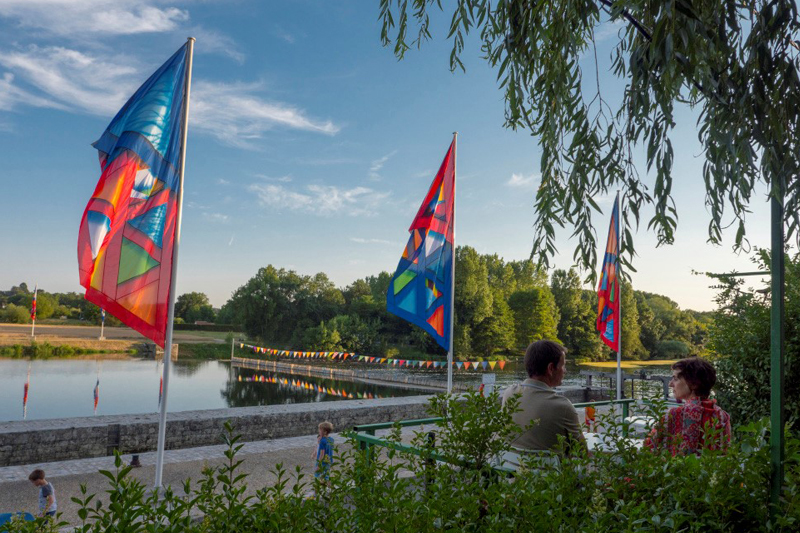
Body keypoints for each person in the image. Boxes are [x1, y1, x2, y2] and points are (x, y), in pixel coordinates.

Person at [501, 340, 586, 454]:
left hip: (511, 469)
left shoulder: (509, 394)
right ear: (551, 368)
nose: (565, 371)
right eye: (563, 365)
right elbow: (582, 452)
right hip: (549, 471)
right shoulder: (562, 406)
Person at [645, 357, 731, 455]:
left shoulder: (675, 414)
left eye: (676, 379)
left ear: (694, 384)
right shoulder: (723, 416)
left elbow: (648, 447)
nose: (670, 384)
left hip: (681, 469)